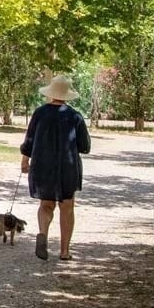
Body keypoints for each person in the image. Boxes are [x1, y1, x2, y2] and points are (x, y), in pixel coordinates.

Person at [20, 75, 91, 261]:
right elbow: (85, 146)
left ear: (51, 93)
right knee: (66, 207)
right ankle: (65, 251)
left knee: (46, 204)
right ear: (67, 95)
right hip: (67, 166)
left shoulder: (39, 113)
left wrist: (24, 161)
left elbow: (29, 140)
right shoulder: (75, 116)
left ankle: (43, 234)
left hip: (42, 165)